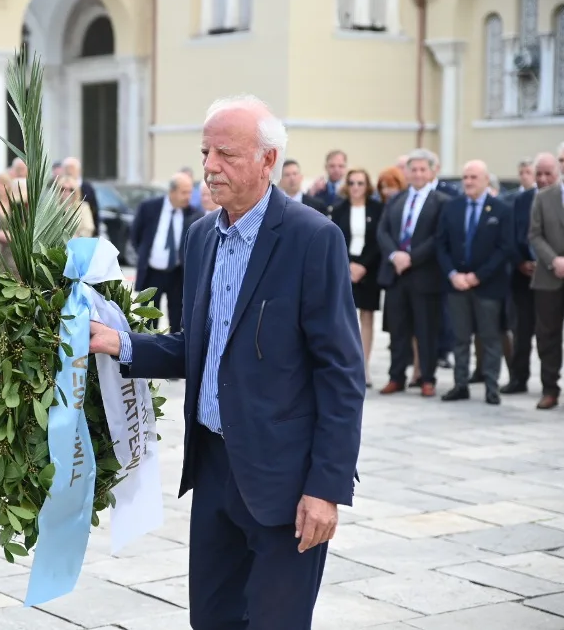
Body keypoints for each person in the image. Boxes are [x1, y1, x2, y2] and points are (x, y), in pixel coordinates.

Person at [89, 95, 364, 629]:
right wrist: (119, 343)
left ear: (268, 161)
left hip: (285, 482)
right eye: (205, 152)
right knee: (211, 620)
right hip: (214, 469)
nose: (209, 167)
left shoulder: (312, 239)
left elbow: (341, 374)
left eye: (226, 154)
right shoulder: (201, 238)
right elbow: (201, 346)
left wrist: (326, 489)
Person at [436, 160, 514, 405]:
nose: (468, 182)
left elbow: (505, 248)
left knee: (490, 338)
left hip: (488, 286)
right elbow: (441, 244)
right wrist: (453, 274)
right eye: (465, 177)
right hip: (457, 285)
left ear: (486, 180)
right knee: (460, 338)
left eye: (473, 177)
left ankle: (492, 387)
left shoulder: (500, 209)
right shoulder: (452, 207)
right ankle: (460, 384)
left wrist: (478, 276)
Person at [377, 149, 450, 397]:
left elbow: (438, 237)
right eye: (413, 169)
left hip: (424, 275)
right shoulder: (397, 200)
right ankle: (396, 376)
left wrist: (412, 257)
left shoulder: (441, 201)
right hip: (397, 275)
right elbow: (383, 231)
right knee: (398, 329)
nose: (417, 174)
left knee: (426, 330)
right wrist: (394, 255)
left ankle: (426, 378)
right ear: (406, 172)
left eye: (422, 169)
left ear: (431, 172)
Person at [528, 140, 564, 411]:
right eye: (561, 160)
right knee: (547, 335)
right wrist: (554, 261)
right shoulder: (543, 197)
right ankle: (549, 388)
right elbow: (535, 235)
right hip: (548, 278)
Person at [502, 152, 558, 394]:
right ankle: (518, 377)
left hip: (554, 276)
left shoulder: (563, 200)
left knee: (549, 333)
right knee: (521, 331)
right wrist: (520, 262)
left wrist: (548, 262)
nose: (543, 179)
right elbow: (511, 234)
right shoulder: (521, 200)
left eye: (548, 174)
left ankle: (550, 384)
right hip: (522, 276)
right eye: (539, 174)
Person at [129, 171, 200, 333]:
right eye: (184, 192)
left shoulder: (193, 213)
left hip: (177, 273)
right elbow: (135, 235)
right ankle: (148, 351)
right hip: (152, 272)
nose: (188, 196)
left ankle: (174, 355)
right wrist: (144, 254)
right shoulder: (149, 208)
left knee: (178, 319)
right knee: (148, 319)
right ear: (172, 191)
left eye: (190, 192)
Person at [331, 168, 383, 387]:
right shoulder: (340, 209)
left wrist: (363, 265)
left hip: (369, 268)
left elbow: (379, 239)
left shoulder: (378, 209)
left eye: (360, 183)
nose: (355, 187)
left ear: (367, 186)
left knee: (367, 317)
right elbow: (335, 238)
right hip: (345, 267)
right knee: (344, 317)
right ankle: (346, 363)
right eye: (352, 183)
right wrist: (349, 264)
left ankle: (364, 366)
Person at [57, 173, 96, 238]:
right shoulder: (54, 209)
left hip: (76, 244)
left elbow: (88, 229)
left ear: (76, 191)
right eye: (63, 189)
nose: (67, 192)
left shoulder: (83, 207)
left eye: (71, 190)